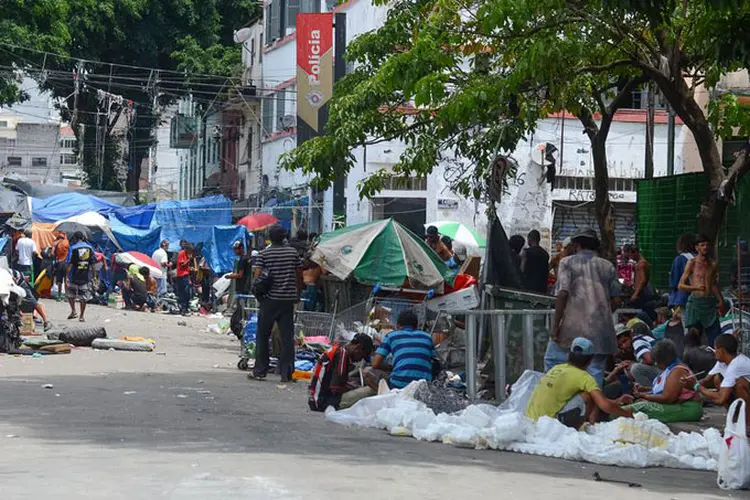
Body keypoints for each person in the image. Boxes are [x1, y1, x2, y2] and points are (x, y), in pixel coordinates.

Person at [548, 229, 620, 387]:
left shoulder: (567, 262)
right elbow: (616, 299)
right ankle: (591, 408)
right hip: (601, 332)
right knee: (594, 374)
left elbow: (562, 294)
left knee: (554, 363)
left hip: (572, 329)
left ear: (577, 244)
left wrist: (555, 327)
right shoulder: (608, 266)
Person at [526, 337, 633, 428]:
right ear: (590, 360)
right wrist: (625, 413)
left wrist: (616, 402)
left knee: (589, 393)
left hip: (532, 420)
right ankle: (584, 426)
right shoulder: (584, 377)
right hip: (550, 425)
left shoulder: (556, 368)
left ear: (569, 355)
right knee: (588, 396)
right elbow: (603, 404)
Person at [250, 224, 303, 382]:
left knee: (263, 335)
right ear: (284, 237)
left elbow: (257, 277)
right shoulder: (293, 253)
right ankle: (286, 373)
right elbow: (299, 275)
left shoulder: (264, 254)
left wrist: (259, 294)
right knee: (287, 337)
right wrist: (297, 293)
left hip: (269, 300)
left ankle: (260, 371)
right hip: (287, 300)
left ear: (270, 238)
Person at [624, 339, 702, 423]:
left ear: (663, 360)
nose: (656, 364)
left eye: (657, 361)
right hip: (679, 405)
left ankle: (612, 413)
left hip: (687, 408)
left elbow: (667, 398)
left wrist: (644, 396)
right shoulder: (670, 369)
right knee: (637, 406)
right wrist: (645, 389)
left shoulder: (677, 371)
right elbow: (667, 389)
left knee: (641, 407)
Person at [364, 310, 435, 390]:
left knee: (367, 371)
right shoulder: (427, 337)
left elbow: (375, 364)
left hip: (398, 385)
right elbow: (433, 360)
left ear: (398, 325)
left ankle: (389, 396)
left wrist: (390, 368)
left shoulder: (391, 336)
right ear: (416, 325)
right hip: (424, 386)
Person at [308, 333, 375, 412]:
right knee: (371, 390)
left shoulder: (337, 350)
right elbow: (335, 388)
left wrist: (351, 386)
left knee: (358, 388)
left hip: (315, 400)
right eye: (362, 356)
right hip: (325, 402)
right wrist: (354, 388)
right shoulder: (342, 355)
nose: (360, 359)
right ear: (358, 347)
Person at [679, 234, 724, 346]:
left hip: (709, 304)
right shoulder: (692, 263)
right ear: (697, 247)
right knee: (693, 338)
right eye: (702, 245)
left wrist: (721, 300)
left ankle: (715, 360)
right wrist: (695, 288)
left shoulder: (713, 264)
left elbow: (713, 284)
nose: (705, 247)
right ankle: (691, 360)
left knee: (716, 338)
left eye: (707, 245)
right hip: (695, 303)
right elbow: (681, 285)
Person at [696, 334, 750, 423]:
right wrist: (693, 383)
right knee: (717, 379)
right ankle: (734, 418)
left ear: (721, 351)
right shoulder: (723, 362)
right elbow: (706, 380)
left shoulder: (736, 365)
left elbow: (720, 399)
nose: (714, 351)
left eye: (715, 348)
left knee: (740, 384)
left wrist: (699, 388)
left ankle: (747, 424)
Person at [607, 323, 659, 388]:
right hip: (661, 371)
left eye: (625, 341)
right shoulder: (636, 343)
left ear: (630, 335)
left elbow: (650, 360)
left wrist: (632, 364)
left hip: (664, 371)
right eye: (620, 345)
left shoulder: (637, 341)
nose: (624, 346)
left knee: (635, 368)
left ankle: (650, 392)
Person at [65, 231, 95, 322]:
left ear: (75, 238)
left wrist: (66, 276)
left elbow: (69, 263)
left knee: (70, 294)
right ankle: (81, 316)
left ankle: (73, 311)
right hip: (85, 276)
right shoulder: (90, 248)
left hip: (74, 275)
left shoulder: (73, 248)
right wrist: (95, 276)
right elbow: (93, 263)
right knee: (83, 297)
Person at [623, 244, 657, 321]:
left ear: (635, 253)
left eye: (631, 255)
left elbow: (643, 280)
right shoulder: (639, 263)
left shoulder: (641, 264)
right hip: (642, 292)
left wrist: (635, 294)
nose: (630, 257)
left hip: (643, 293)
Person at [669, 233, 696, 311]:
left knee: (687, 321)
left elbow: (674, 282)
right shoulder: (700, 258)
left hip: (684, 297)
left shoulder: (680, 259)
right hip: (701, 295)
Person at [226, 240, 252, 312]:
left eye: (236, 249)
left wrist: (230, 276)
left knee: (241, 307)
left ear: (241, 249)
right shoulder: (244, 258)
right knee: (242, 306)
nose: (235, 251)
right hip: (244, 286)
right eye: (234, 249)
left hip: (242, 286)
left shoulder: (243, 260)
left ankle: (241, 320)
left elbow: (240, 275)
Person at [521, 229, 549, 294]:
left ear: (529, 239)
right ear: (539, 239)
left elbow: (522, 270)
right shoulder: (545, 254)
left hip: (528, 288)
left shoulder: (526, 252)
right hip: (542, 289)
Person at [175, 243, 195, 315]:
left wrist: (190, 269)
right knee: (184, 292)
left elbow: (185, 267)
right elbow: (182, 265)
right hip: (181, 276)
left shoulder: (186, 254)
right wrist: (189, 260)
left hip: (186, 275)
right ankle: (183, 308)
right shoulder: (182, 254)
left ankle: (186, 307)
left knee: (187, 293)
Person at [52, 233, 70, 299]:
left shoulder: (56, 243)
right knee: (66, 279)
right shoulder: (67, 242)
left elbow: (52, 253)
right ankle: (66, 296)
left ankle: (59, 296)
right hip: (66, 263)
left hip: (59, 262)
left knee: (59, 280)